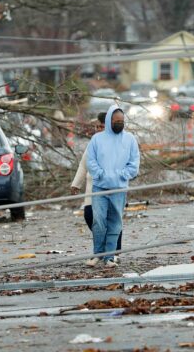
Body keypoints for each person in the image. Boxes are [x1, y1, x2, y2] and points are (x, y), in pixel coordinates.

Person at [85, 105, 140, 268]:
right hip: (100, 187)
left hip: (119, 188)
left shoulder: (129, 139)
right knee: (99, 221)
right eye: (116, 121)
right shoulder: (97, 139)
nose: (119, 124)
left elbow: (134, 163)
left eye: (122, 121)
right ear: (109, 121)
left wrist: (121, 175)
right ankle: (98, 254)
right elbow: (90, 161)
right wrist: (101, 174)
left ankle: (109, 257)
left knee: (115, 222)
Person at [70, 113, 123, 255]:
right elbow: (83, 164)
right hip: (91, 188)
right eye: (97, 126)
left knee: (112, 220)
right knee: (90, 216)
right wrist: (76, 184)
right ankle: (105, 248)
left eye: (101, 126)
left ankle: (113, 252)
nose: (98, 129)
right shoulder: (93, 143)